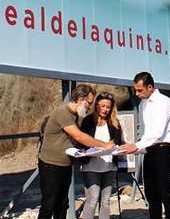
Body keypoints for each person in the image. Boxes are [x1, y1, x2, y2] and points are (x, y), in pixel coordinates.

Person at [37, 84, 114, 219]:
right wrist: (104, 146)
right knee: (48, 205)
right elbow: (79, 135)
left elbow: (70, 139)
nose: (90, 107)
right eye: (89, 103)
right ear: (79, 99)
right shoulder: (62, 113)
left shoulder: (76, 115)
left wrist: (81, 150)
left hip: (65, 165)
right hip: (51, 165)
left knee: (62, 205)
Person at [120, 72, 170, 219]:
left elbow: (158, 132)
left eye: (140, 90)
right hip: (150, 151)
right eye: (135, 90)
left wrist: (136, 145)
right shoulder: (144, 104)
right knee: (151, 194)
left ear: (150, 87)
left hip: (163, 150)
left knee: (165, 192)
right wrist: (137, 148)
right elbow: (148, 133)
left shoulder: (163, 101)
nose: (137, 93)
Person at [79, 91, 125, 219]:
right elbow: (81, 140)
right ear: (96, 105)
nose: (105, 109)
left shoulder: (114, 122)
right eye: (102, 106)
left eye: (108, 107)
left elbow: (117, 140)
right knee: (92, 199)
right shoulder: (88, 120)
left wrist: (113, 143)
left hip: (109, 165)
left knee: (105, 201)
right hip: (91, 165)